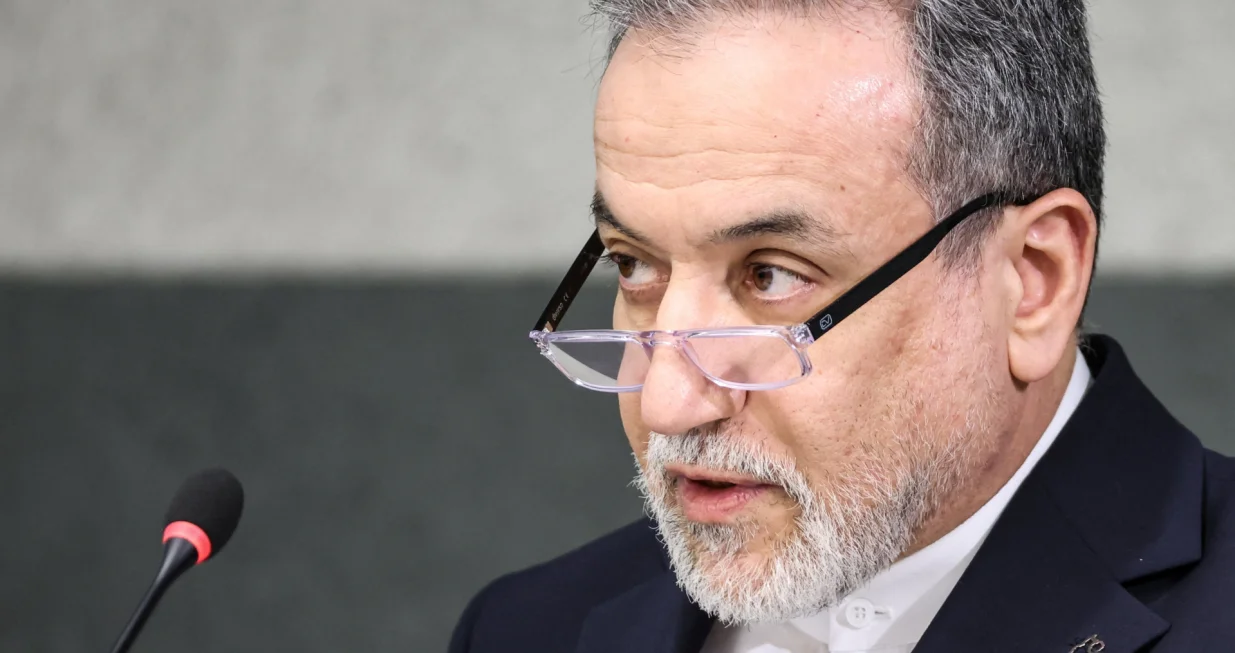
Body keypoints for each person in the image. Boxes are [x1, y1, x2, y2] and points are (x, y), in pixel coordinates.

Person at [450, 1, 1235, 651]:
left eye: (770, 276)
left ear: (1034, 280)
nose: (666, 403)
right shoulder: (523, 629)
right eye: (633, 265)